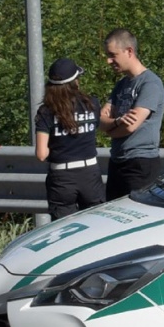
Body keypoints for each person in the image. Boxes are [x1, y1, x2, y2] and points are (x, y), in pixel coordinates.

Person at [99, 29, 164, 200]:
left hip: (140, 164)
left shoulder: (150, 84)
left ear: (129, 51)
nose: (109, 61)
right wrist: (116, 122)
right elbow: (99, 120)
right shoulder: (121, 84)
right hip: (117, 161)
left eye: (113, 55)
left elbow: (130, 126)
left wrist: (110, 128)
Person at [34, 58, 102, 218]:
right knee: (95, 224)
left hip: (61, 178)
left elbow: (41, 154)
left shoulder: (46, 112)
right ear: (75, 82)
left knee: (63, 231)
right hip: (90, 173)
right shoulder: (92, 104)